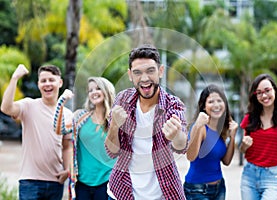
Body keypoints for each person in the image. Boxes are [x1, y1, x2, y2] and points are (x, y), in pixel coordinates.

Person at [104, 44, 188, 200]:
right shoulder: (122, 100)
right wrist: (114, 126)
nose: (144, 78)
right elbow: (111, 151)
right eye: (137, 73)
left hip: (162, 193)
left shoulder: (172, 104)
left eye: (150, 71)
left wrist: (176, 135)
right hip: (122, 192)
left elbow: (182, 146)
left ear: (160, 71)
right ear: (130, 75)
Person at [1, 64, 73, 200]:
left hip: (56, 182)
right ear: (38, 84)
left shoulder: (67, 114)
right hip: (30, 182)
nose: (47, 84)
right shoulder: (28, 105)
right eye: (43, 81)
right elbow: (6, 108)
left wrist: (67, 170)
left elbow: (67, 146)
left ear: (60, 82)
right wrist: (15, 77)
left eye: (51, 80)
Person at [53, 77, 116, 200]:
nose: (94, 92)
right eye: (90, 90)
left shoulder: (115, 119)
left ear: (106, 91)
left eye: (98, 88)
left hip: (108, 182)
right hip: (82, 183)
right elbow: (59, 129)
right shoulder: (81, 117)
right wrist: (62, 101)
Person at [239, 73, 277, 200]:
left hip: (272, 177)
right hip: (249, 176)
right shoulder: (250, 118)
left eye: (267, 90)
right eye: (259, 92)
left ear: (275, 90)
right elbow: (243, 150)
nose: (264, 96)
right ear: (255, 96)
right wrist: (244, 145)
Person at [183, 84, 238, 200]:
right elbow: (190, 156)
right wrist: (197, 126)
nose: (216, 105)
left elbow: (226, 161)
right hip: (197, 189)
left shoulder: (221, 129)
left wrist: (232, 137)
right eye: (211, 102)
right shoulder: (201, 128)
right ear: (204, 106)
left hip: (219, 188)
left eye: (219, 101)